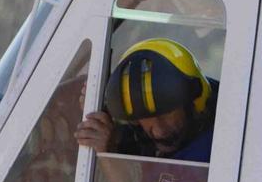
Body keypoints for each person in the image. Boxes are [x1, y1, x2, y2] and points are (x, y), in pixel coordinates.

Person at [74, 38, 217, 161]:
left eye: (166, 113)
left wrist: (107, 155)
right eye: (145, 117)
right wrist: (101, 116)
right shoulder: (158, 134)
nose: (159, 131)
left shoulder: (211, 149)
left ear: (193, 102)